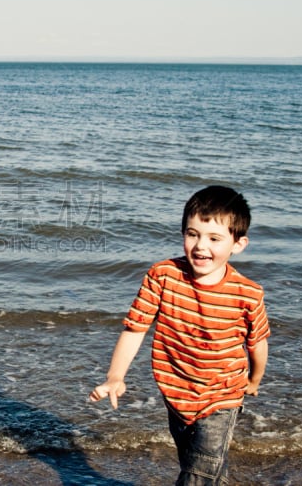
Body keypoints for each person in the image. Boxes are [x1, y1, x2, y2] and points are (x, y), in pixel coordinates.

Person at [89, 186, 270, 485]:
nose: (200, 246)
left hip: (222, 395)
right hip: (175, 390)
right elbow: (135, 328)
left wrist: (254, 380)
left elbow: (257, 343)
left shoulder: (247, 293)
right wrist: (115, 376)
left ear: (238, 244)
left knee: (199, 471)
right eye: (192, 233)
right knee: (199, 464)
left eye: (214, 238)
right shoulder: (163, 276)